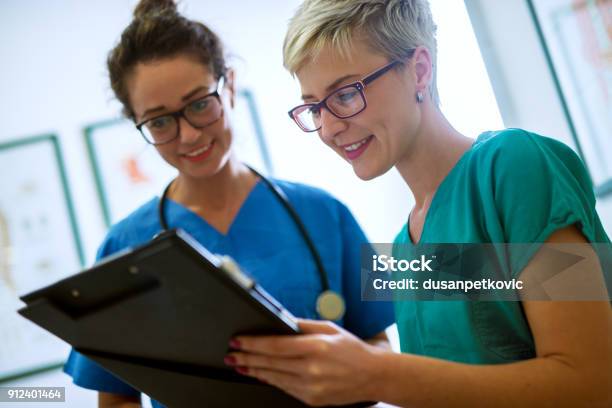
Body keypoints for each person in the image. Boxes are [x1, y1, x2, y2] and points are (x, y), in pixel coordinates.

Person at [227, 1, 612, 406]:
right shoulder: (404, 247)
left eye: (344, 94)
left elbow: (593, 381)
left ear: (419, 70)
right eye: (314, 107)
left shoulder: (515, 165)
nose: (329, 127)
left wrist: (376, 373)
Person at [63, 1, 394, 407]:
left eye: (200, 103)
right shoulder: (123, 248)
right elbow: (116, 399)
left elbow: (379, 348)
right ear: (138, 122)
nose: (187, 136)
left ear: (230, 85)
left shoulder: (326, 213)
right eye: (160, 121)